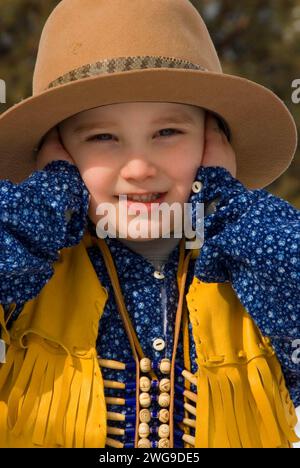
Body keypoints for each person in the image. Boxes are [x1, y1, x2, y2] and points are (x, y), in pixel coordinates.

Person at [0, 0, 299, 449]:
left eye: (168, 133)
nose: (139, 168)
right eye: (102, 137)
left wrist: (221, 198)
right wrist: (54, 195)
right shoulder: (27, 275)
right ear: (58, 152)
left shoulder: (253, 269)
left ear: (210, 141)